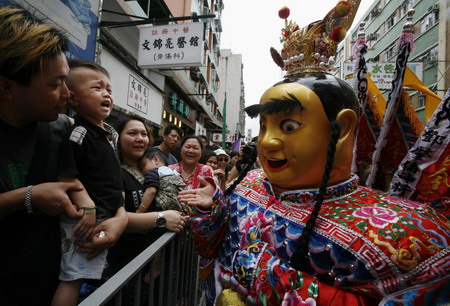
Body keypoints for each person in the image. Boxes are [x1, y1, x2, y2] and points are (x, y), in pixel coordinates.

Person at [178, 2, 450, 304]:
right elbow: (211, 249)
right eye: (266, 126)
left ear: (342, 127)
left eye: (290, 125)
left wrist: (264, 273)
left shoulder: (406, 235)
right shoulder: (249, 184)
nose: (268, 142)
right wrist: (211, 210)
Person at [0, 6, 126, 305]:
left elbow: (103, 188)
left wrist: (118, 222)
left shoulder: (63, 130)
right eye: (55, 85)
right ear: (8, 87)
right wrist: (28, 196)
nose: (68, 95)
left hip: (45, 285)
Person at [51, 60, 126, 306]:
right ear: (73, 99)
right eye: (96, 88)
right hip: (83, 221)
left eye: (109, 90)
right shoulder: (79, 133)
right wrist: (88, 206)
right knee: (72, 277)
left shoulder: (106, 134)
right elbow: (66, 176)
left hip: (105, 216)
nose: (106, 93)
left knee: (88, 275)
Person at [105, 116, 188, 306]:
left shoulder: (153, 168)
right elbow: (115, 220)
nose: (139, 138)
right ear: (118, 138)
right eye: (132, 133)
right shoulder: (114, 171)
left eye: (143, 134)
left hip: (165, 257)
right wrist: (161, 218)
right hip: (131, 262)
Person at [137, 147, 188, 214]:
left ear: (156, 160)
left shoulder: (153, 172)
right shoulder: (173, 172)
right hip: (182, 209)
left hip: (163, 210)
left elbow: (151, 191)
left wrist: (140, 210)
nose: (142, 171)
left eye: (143, 166)